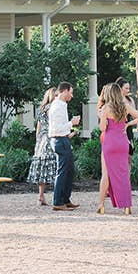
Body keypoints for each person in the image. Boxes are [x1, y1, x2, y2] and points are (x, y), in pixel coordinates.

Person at [97, 80, 138, 214]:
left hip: (109, 142)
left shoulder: (106, 108)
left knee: (106, 174)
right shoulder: (125, 106)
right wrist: (127, 125)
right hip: (123, 142)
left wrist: (101, 117)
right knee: (124, 174)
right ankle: (127, 206)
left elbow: (102, 128)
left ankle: (101, 205)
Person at [49, 81, 81, 211]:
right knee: (62, 172)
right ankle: (57, 201)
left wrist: (69, 132)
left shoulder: (62, 105)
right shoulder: (57, 106)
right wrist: (71, 123)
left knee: (69, 171)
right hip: (59, 140)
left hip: (63, 139)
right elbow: (56, 128)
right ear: (65, 91)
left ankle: (65, 199)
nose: (72, 96)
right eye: (71, 92)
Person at [26, 88, 58, 206]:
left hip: (42, 140)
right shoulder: (53, 108)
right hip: (51, 137)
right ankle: (58, 196)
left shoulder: (42, 109)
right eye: (55, 95)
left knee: (42, 168)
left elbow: (38, 128)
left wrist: (38, 141)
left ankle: (41, 196)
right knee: (56, 166)